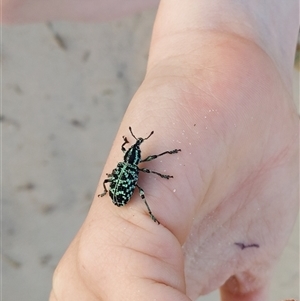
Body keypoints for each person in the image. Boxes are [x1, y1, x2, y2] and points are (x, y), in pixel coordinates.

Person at [4, 1, 299, 300]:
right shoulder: (134, 167)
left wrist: (223, 32)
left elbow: (121, 174)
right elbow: (133, 174)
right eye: (135, 148)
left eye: (135, 148)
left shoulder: (128, 166)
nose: (136, 150)